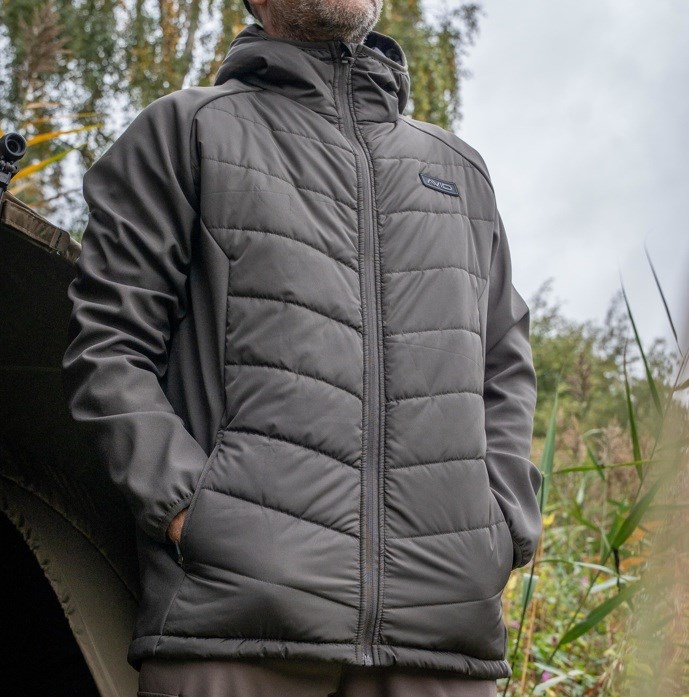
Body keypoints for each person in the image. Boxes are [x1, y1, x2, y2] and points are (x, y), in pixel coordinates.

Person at [61, 0, 544, 695]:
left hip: (443, 647)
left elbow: (504, 363)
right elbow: (109, 344)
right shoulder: (185, 130)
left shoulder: (459, 172)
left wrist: (502, 526)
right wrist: (194, 515)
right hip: (234, 630)